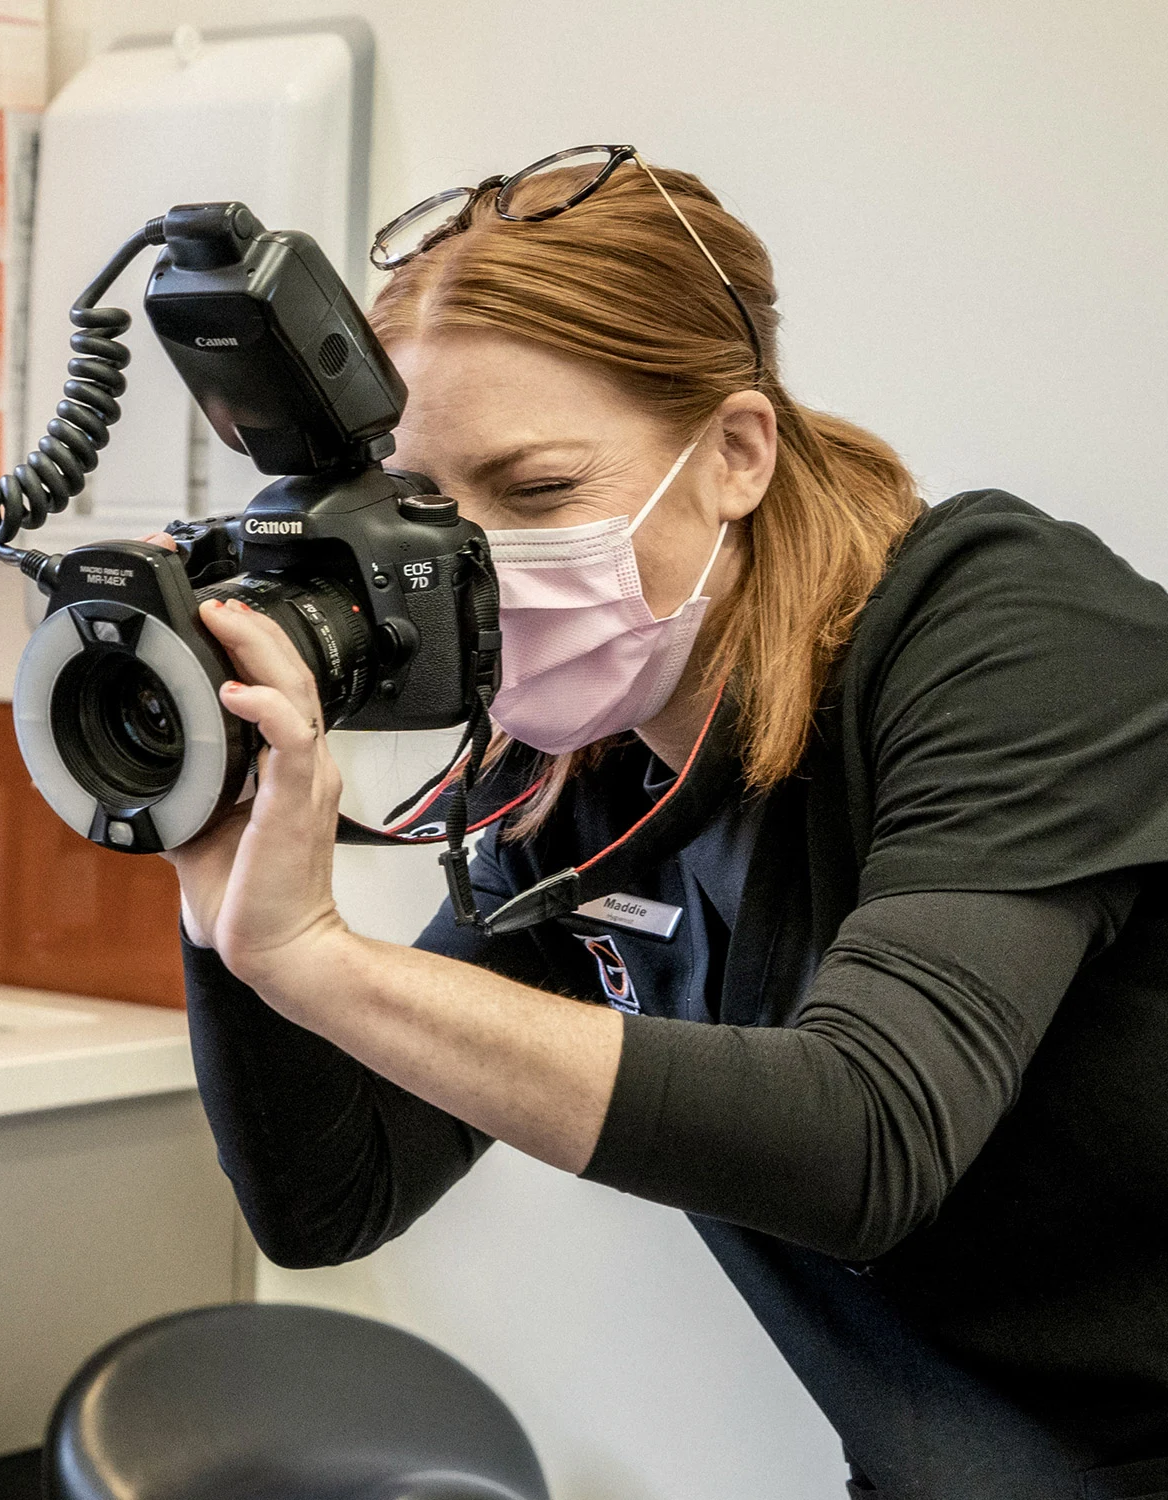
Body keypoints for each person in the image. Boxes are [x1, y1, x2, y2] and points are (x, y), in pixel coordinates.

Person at [165, 147, 1168, 1500]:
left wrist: (320, 961)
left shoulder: (1004, 635)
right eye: (428, 514)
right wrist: (226, 900)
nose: (486, 574)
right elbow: (334, 1197)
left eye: (535, 495)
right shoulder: (565, 773)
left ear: (737, 453)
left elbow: (866, 1139)